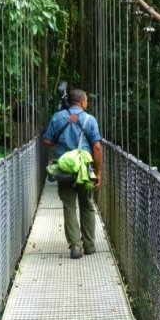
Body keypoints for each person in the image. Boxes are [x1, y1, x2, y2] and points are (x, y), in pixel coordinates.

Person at [42, 88, 103, 259]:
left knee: (69, 206)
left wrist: (60, 139)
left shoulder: (58, 117)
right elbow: (97, 147)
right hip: (84, 169)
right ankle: (89, 246)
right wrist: (98, 173)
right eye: (87, 101)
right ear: (83, 102)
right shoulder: (90, 120)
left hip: (65, 169)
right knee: (87, 205)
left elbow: (46, 140)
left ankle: (75, 246)